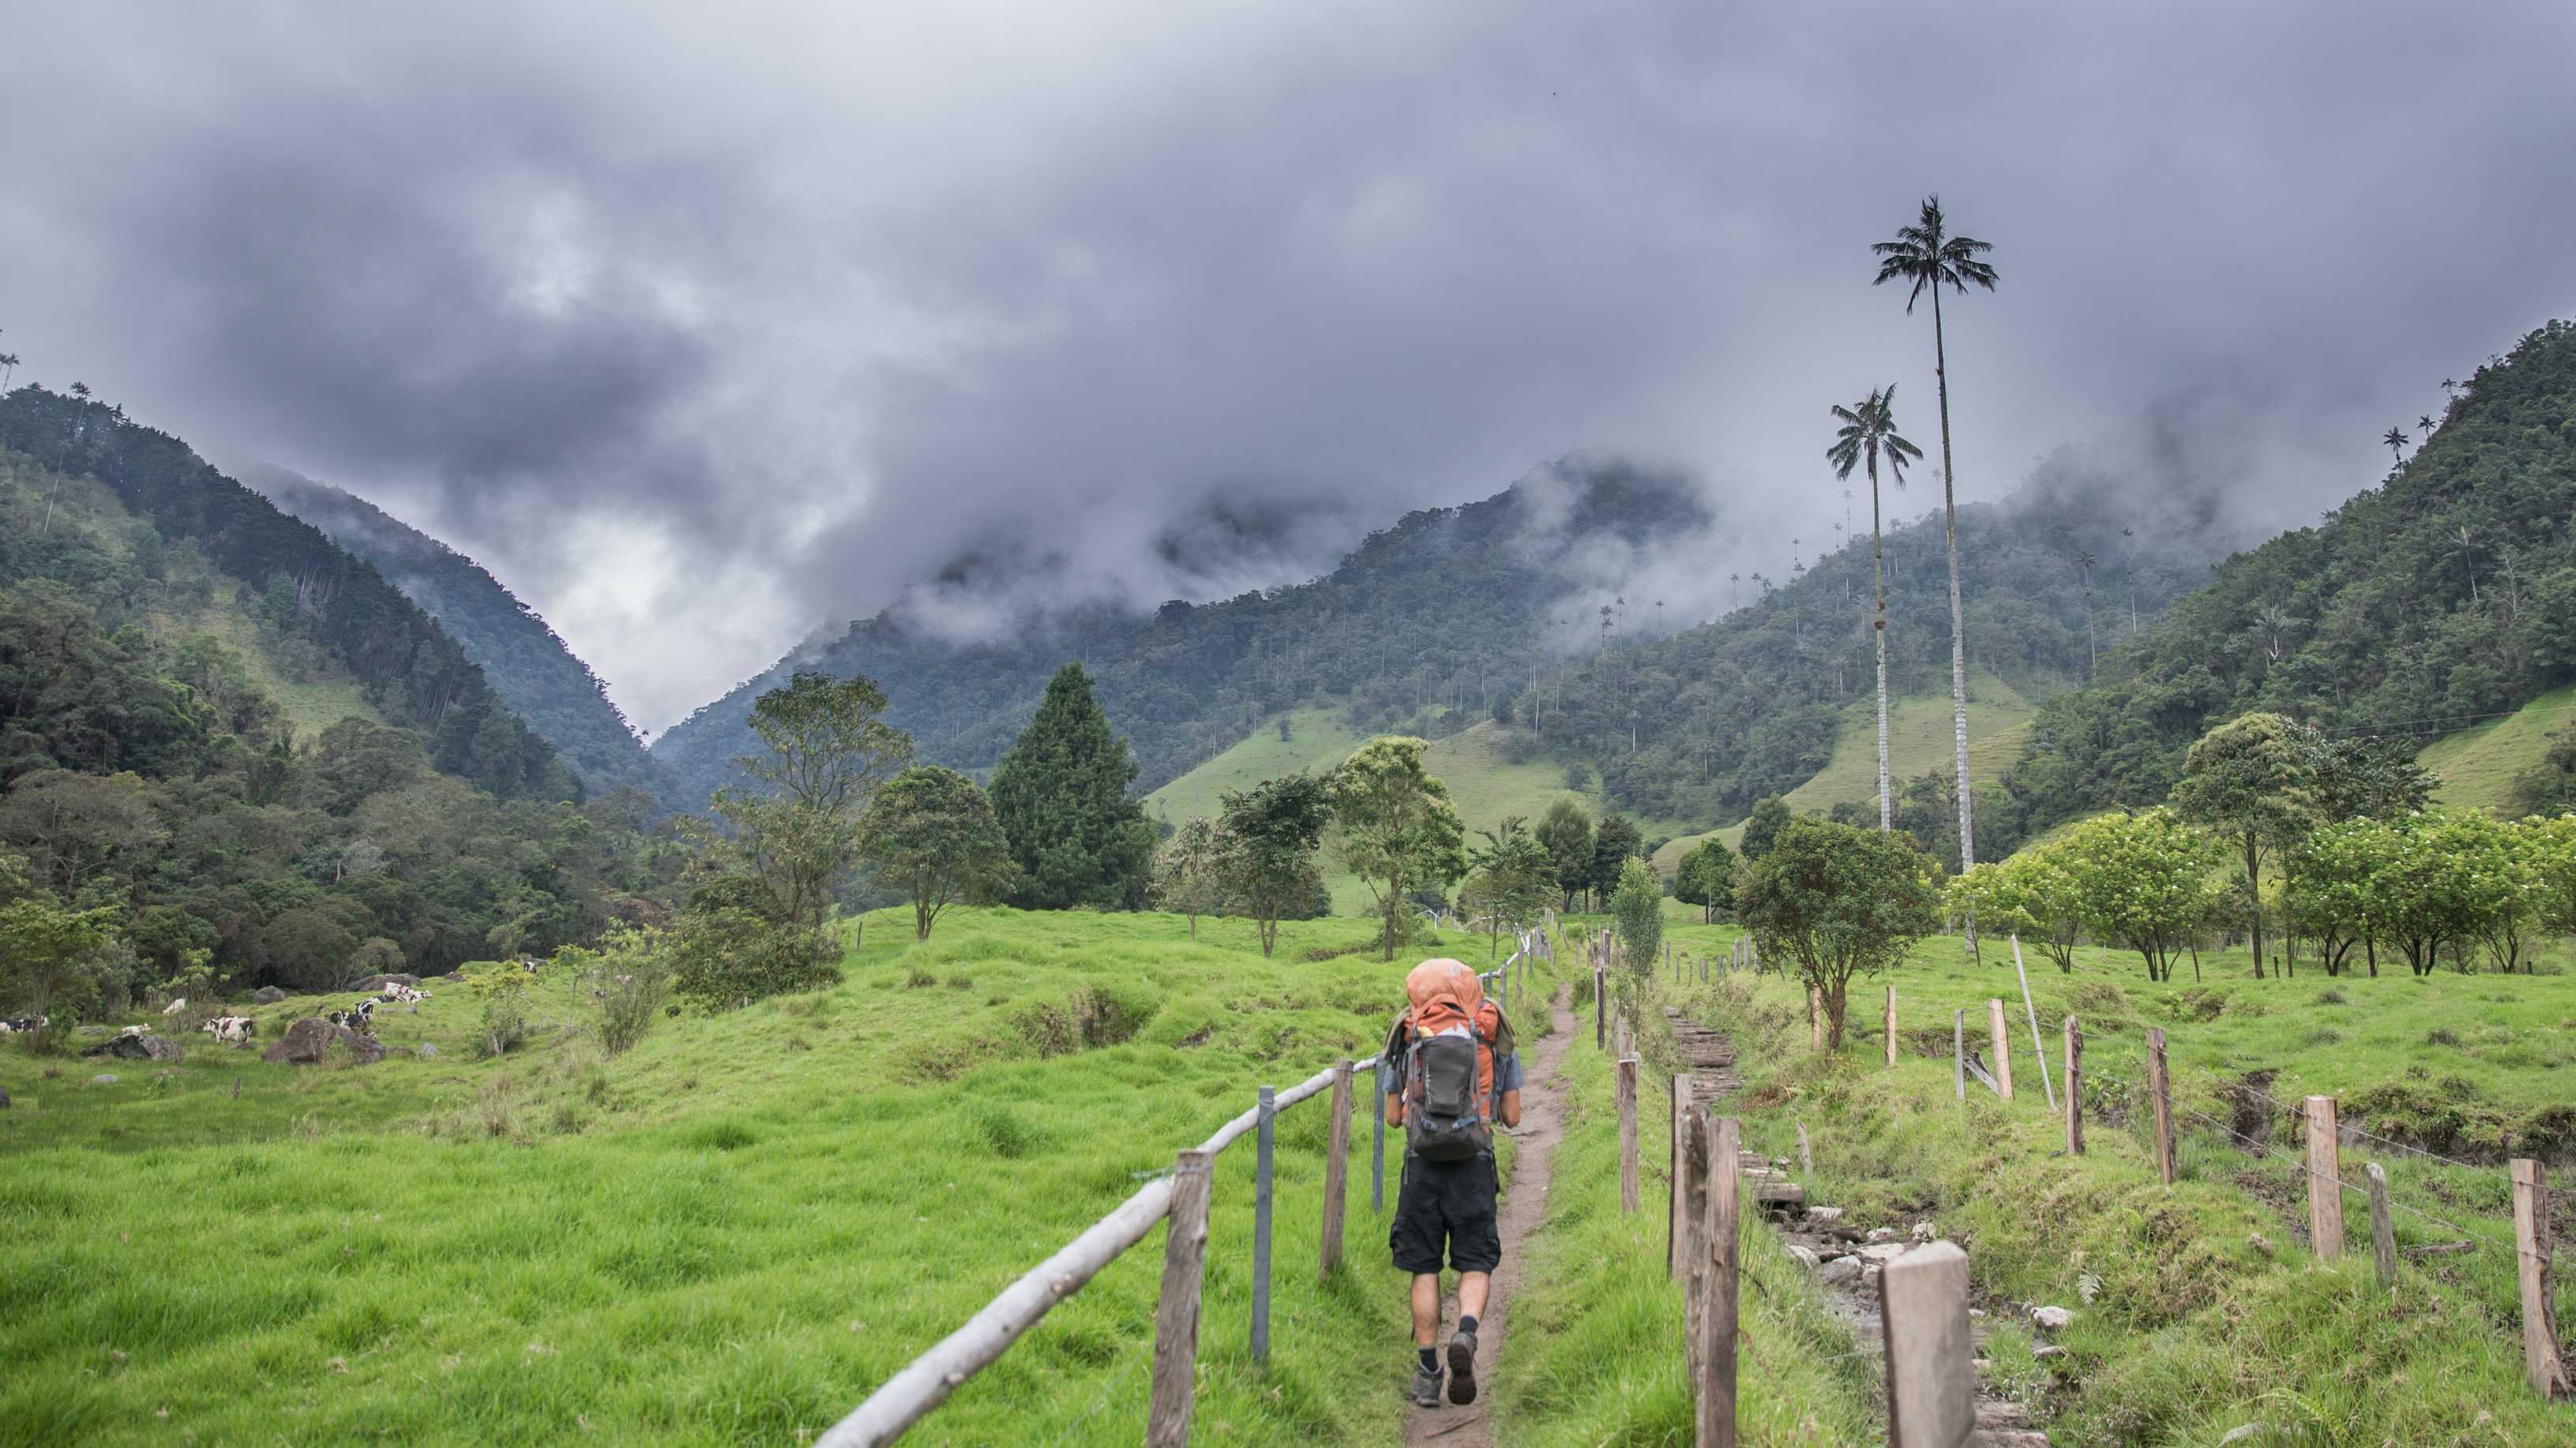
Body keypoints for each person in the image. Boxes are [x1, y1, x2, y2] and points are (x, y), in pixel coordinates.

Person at [1378, 957, 1523, 1409]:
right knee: (1475, 1261)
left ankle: (1427, 1373)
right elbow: (1513, 1116)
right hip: (1475, 1163)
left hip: (1422, 1165)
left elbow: (1393, 1117)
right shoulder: (1489, 1032)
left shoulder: (1409, 1033)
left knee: (1424, 1268)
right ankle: (1466, 1333)